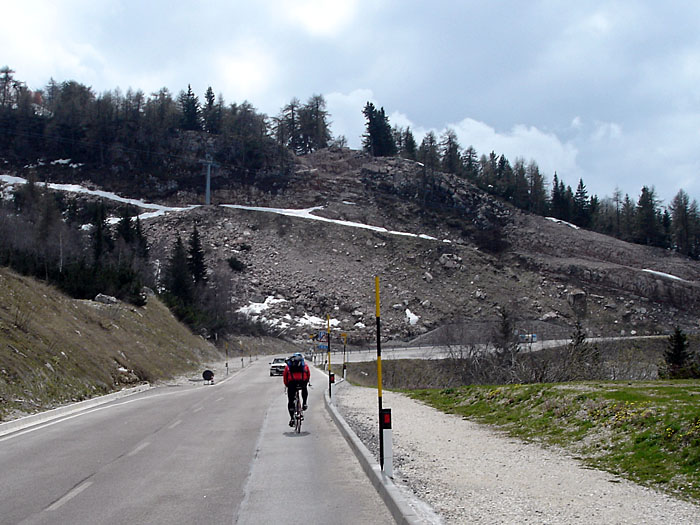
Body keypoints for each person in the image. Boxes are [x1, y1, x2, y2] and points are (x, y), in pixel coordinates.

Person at [283, 352, 310, 427]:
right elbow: (308, 375)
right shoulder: (305, 365)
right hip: (302, 382)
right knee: (304, 389)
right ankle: (304, 403)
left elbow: (285, 377)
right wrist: (306, 382)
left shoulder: (288, 366)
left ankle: (292, 418)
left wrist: (287, 385)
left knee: (290, 400)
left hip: (292, 384)